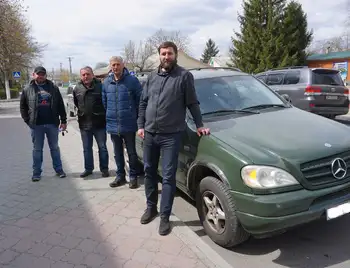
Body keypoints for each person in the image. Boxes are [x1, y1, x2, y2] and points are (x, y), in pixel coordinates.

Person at [137, 41, 210, 236]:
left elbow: (192, 103)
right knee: (149, 171)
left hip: (171, 135)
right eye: (163, 54)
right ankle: (151, 208)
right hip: (150, 134)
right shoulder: (152, 77)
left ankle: (164, 217)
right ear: (159, 56)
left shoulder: (184, 76)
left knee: (168, 177)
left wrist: (200, 124)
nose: (166, 57)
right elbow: (143, 103)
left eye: (169, 53)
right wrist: (140, 125)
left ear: (175, 55)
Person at [20, 66, 67, 181]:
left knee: (55, 148)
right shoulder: (27, 89)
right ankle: (36, 173)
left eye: (42, 74)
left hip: (52, 124)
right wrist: (28, 121)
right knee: (37, 150)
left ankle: (59, 169)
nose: (40, 76)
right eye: (38, 74)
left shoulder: (53, 88)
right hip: (36, 125)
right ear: (34, 75)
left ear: (45, 75)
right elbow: (23, 107)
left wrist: (64, 121)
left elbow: (61, 104)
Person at [102, 56, 142, 189]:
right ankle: (120, 176)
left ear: (123, 65)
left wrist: (136, 117)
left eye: (118, 64)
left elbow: (139, 101)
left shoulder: (132, 81)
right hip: (113, 124)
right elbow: (104, 102)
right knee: (117, 152)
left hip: (129, 123)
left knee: (131, 152)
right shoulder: (106, 83)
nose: (115, 67)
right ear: (110, 66)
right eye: (113, 65)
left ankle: (133, 177)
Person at [73, 66, 109, 178]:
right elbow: (76, 103)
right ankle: (88, 169)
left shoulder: (100, 87)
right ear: (80, 76)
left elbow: (106, 103)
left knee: (102, 147)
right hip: (84, 124)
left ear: (92, 75)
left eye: (88, 74)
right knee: (86, 148)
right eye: (83, 74)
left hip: (99, 124)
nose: (86, 76)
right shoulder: (77, 88)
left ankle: (104, 169)